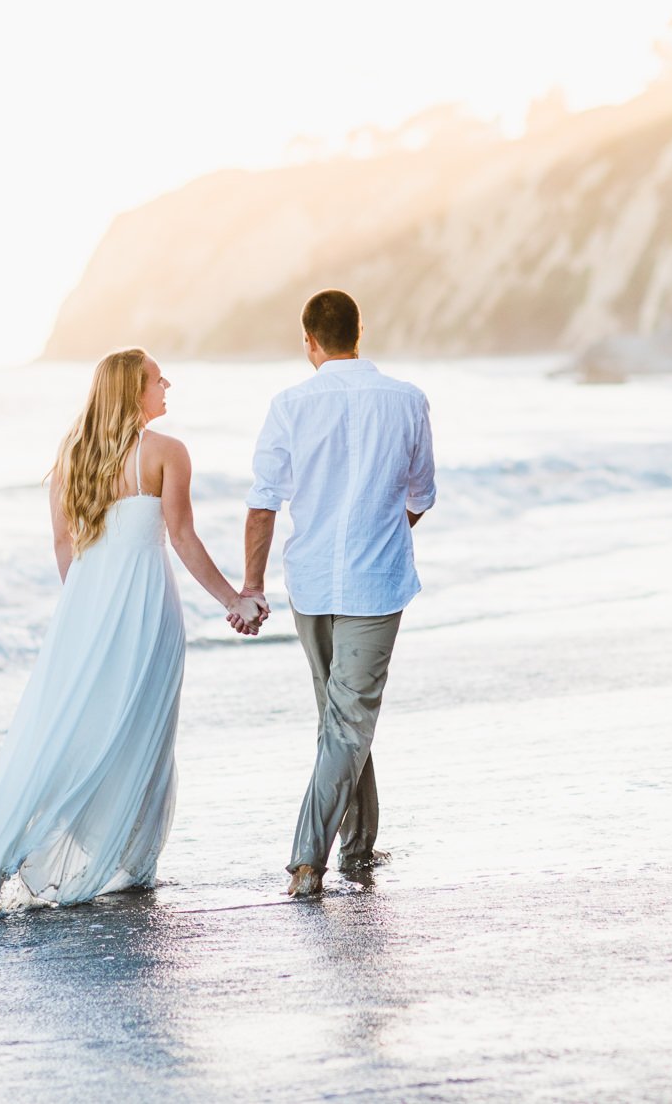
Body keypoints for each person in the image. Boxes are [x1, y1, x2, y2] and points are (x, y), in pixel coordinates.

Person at [0, 348, 263, 912]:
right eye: (156, 378)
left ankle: (27, 850)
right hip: (146, 607)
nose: (167, 383)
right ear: (131, 391)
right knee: (140, 727)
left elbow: (62, 545)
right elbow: (183, 539)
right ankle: (124, 859)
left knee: (74, 726)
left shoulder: (71, 455)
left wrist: (85, 610)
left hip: (85, 608)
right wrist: (235, 600)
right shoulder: (167, 452)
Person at [239, 290, 436, 897]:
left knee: (343, 718)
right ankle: (354, 846)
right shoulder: (407, 400)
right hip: (375, 583)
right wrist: (380, 538)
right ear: (359, 332)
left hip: (313, 581)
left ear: (310, 341)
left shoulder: (289, 405)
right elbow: (420, 494)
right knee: (344, 719)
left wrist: (252, 583)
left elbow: (263, 506)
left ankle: (308, 860)